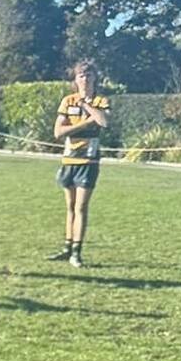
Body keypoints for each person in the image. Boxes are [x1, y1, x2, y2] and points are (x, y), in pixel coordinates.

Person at [49, 61, 110, 268]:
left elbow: (103, 122)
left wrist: (86, 106)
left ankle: (77, 251)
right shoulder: (67, 101)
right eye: (81, 75)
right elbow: (58, 132)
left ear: (95, 78)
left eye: (89, 75)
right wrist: (85, 123)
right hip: (69, 160)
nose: (85, 79)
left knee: (81, 207)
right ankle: (67, 248)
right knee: (70, 207)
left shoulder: (100, 101)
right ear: (75, 79)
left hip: (89, 161)